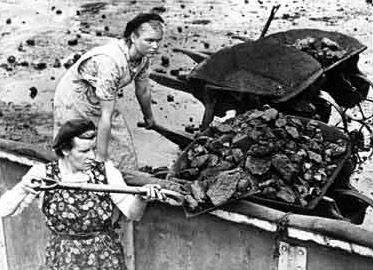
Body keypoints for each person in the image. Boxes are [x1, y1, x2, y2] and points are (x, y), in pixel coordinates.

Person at [0, 119, 165, 270]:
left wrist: (141, 199)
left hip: (105, 259)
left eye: (93, 149)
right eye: (84, 151)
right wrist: (22, 188)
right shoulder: (44, 175)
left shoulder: (106, 172)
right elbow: (3, 211)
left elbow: (132, 214)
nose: (91, 157)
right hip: (63, 260)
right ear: (65, 150)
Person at [53, 13, 165, 171]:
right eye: (149, 40)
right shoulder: (110, 62)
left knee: (123, 147)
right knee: (79, 144)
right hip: (75, 97)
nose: (155, 46)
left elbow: (143, 89)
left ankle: (121, 177)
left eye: (158, 41)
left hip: (99, 94)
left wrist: (149, 117)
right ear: (133, 37)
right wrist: (100, 159)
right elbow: (106, 117)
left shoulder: (144, 57)